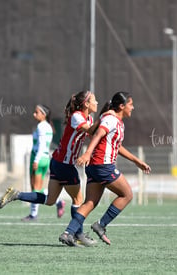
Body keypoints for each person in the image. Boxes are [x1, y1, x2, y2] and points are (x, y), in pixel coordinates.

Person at [0, 91, 100, 246]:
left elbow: (93, 134)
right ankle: (77, 234)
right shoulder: (77, 116)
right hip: (64, 165)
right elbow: (92, 130)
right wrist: (107, 117)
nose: (97, 102)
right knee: (78, 200)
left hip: (58, 162)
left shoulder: (88, 118)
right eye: (94, 100)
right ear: (86, 104)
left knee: (50, 200)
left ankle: (17, 194)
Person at [59, 91, 151, 247]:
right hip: (103, 165)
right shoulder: (111, 119)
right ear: (121, 106)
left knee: (89, 203)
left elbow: (117, 146)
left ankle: (68, 233)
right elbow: (97, 135)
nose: (133, 107)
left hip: (96, 166)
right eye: (130, 104)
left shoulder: (117, 122)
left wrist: (137, 161)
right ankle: (101, 225)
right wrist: (87, 153)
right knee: (127, 194)